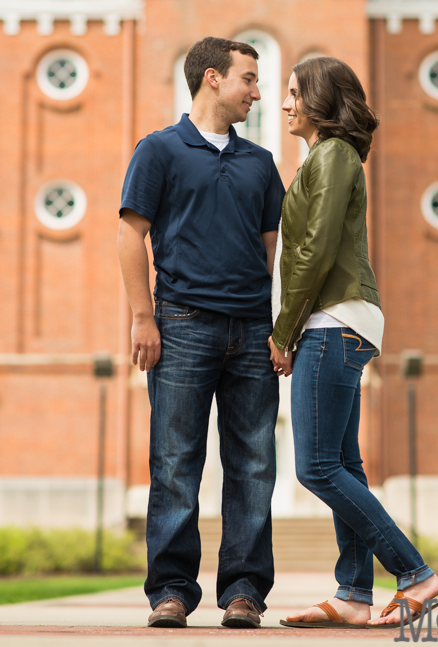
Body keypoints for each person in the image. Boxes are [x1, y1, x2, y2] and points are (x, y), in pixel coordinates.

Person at [268, 56, 438, 630]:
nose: (287, 103)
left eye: (295, 93)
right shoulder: (324, 158)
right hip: (335, 322)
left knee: (315, 467)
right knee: (343, 463)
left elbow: (315, 249)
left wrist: (283, 330)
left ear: (320, 98)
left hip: (330, 322)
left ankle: (415, 573)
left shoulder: (335, 155)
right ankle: (353, 593)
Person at [118, 37, 285, 630]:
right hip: (182, 324)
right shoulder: (159, 151)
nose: (257, 92)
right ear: (212, 78)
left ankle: (243, 591)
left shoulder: (261, 163)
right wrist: (143, 316)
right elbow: (129, 234)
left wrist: (278, 326)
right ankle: (170, 590)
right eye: (249, 79)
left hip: (252, 331)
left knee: (253, 465)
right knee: (174, 462)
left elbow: (274, 253)